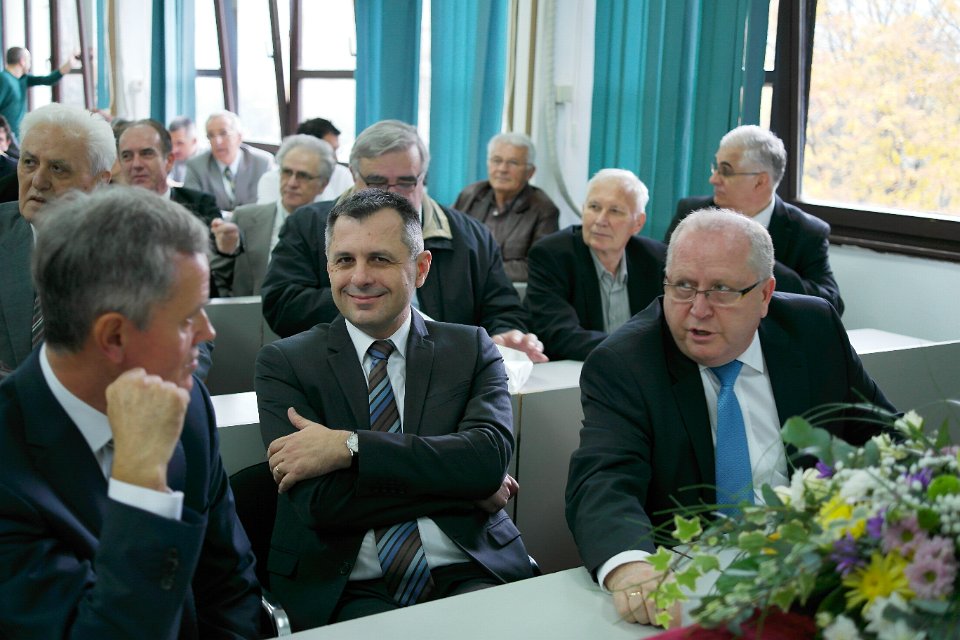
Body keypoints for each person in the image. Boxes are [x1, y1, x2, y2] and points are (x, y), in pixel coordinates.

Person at [566, 207, 894, 626]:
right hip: (690, 586)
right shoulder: (626, 363)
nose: (698, 309)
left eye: (721, 290)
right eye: (683, 286)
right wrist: (631, 568)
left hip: (819, 568)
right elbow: (603, 481)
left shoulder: (813, 330)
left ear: (765, 295)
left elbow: (883, 436)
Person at [256, 188, 534, 629]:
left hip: (471, 569)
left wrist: (351, 448)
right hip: (346, 588)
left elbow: (486, 461)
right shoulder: (286, 364)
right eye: (344, 260)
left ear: (420, 268)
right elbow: (319, 505)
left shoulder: (470, 347)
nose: (359, 277)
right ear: (328, 268)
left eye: (380, 259)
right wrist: (459, 485)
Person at [0, 186, 261, 638]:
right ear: (114, 337)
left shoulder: (189, 405)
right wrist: (142, 484)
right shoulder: (9, 468)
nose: (208, 332)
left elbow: (230, 587)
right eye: (188, 318)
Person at [260, 119, 546, 362]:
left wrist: (505, 334)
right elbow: (282, 305)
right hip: (340, 372)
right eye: (377, 182)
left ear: (423, 177)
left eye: (406, 182)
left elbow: (502, 308)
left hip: (447, 374)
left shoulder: (471, 236)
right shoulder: (309, 225)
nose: (392, 193)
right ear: (354, 175)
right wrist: (368, 302)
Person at [666, 125, 844, 314]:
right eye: (716, 168)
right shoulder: (693, 213)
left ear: (760, 181)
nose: (714, 179)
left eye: (725, 171)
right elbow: (662, 275)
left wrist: (763, 261)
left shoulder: (806, 231)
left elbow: (831, 303)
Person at [0, 103, 113, 378]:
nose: (38, 181)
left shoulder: (137, 246)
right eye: (29, 163)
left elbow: (187, 342)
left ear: (100, 182)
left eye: (58, 168)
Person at [525, 169, 665, 360]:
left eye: (615, 211)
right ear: (583, 210)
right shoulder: (552, 255)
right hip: (574, 370)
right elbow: (559, 335)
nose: (600, 220)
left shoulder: (656, 258)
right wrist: (633, 349)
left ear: (638, 223)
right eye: (594, 207)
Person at [212, 134, 336, 296]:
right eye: (287, 172)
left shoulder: (332, 229)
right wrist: (225, 251)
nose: (292, 183)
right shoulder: (245, 218)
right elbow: (216, 278)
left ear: (323, 184)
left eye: (303, 176)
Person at [453, 132, 559, 282]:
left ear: (530, 172)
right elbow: (444, 240)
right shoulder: (471, 195)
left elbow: (539, 266)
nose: (502, 169)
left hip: (507, 291)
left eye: (513, 163)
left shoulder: (543, 210)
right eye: (496, 160)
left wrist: (479, 268)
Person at [184, 110, 274, 211]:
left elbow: (269, 206)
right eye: (211, 135)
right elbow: (191, 207)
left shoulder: (262, 163)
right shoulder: (196, 165)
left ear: (239, 137)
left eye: (223, 133)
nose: (217, 141)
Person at [256, 117, 353, 204]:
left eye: (336, 150)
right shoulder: (271, 180)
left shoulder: (343, 175)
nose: (335, 158)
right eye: (330, 151)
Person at [0, 46, 78, 141]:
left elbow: (48, 80)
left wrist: (69, 64)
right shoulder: (3, 79)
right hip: (5, 138)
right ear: (22, 61)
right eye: (29, 60)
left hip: (17, 137)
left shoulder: (23, 79)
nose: (30, 64)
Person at [168, 115, 199, 184]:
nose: (174, 150)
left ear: (194, 141)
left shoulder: (208, 162)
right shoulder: (169, 158)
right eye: (171, 144)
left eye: (179, 143)